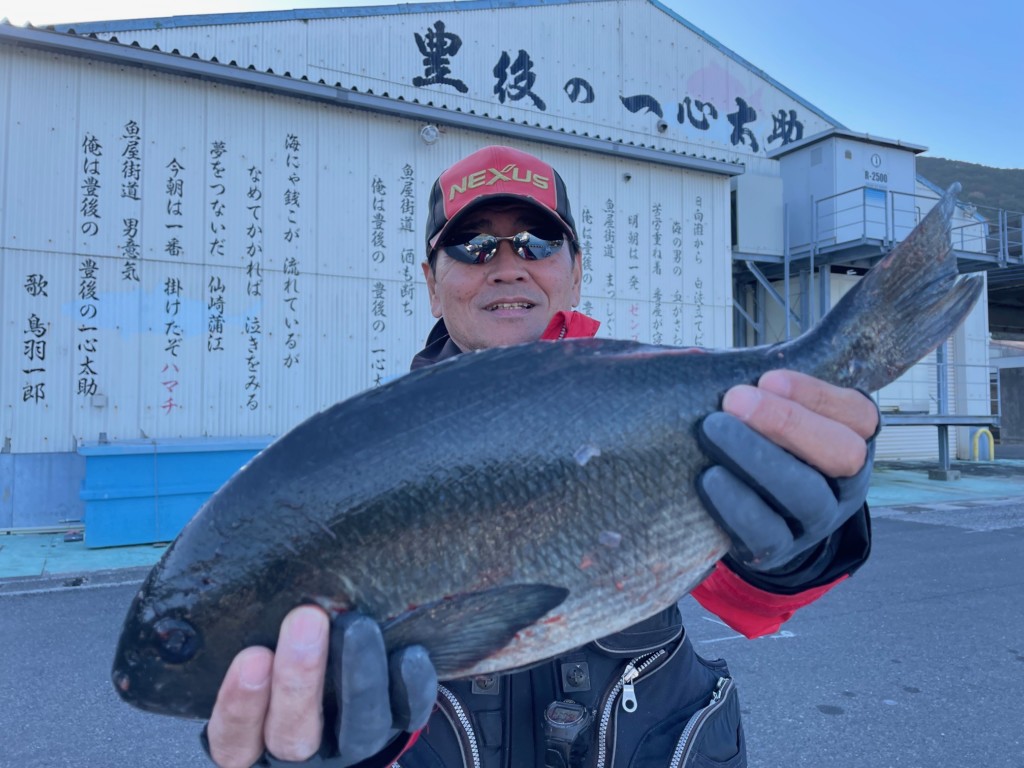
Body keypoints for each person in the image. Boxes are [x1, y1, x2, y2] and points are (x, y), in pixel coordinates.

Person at [204, 145, 878, 767]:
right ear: (432, 284)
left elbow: (749, 604)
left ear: (575, 273)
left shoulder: (652, 400)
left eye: (537, 241)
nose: (507, 264)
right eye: (472, 246)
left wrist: (799, 547)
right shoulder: (378, 451)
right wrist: (319, 728)